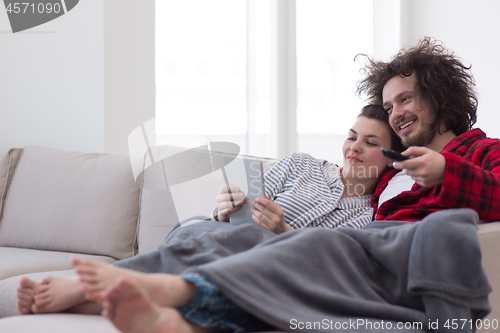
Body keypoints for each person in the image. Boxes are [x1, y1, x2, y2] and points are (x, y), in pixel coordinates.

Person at [17, 104, 402, 315]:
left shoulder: (370, 215)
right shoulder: (302, 165)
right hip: (218, 236)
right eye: (351, 136)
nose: (353, 147)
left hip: (266, 262)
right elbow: (235, 212)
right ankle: (98, 287)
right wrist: (224, 206)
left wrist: (285, 233)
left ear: (389, 158)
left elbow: (327, 263)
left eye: (369, 143)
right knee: (198, 230)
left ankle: (92, 291)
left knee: (249, 246)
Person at [356, 36, 500, 221]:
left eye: (405, 99)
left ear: (439, 99)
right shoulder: (390, 174)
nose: (395, 115)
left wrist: (446, 173)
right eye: (389, 108)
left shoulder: (485, 151)